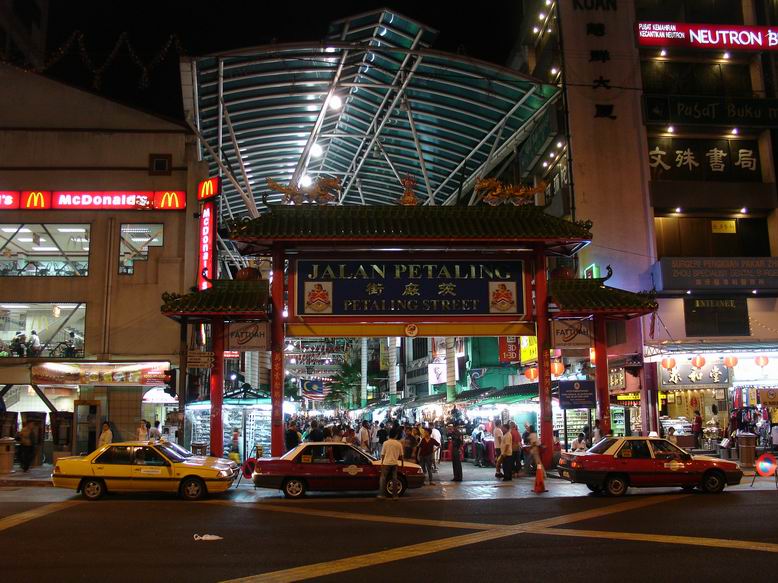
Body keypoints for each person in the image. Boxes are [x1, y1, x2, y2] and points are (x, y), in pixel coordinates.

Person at [378, 427, 404, 500]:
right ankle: (395, 496)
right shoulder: (398, 444)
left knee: (383, 478)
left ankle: (381, 494)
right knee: (394, 479)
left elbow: (382, 454)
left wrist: (382, 463)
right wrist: (402, 464)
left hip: (386, 463)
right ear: (396, 435)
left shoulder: (385, 443)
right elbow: (401, 456)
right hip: (394, 463)